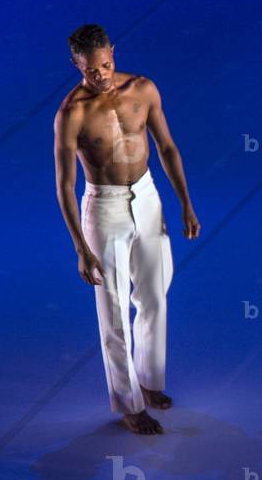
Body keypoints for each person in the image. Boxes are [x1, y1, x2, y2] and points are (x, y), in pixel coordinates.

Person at [54, 23, 200, 435]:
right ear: (76, 65)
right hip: (104, 206)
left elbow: (167, 147)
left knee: (154, 294)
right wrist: (80, 248)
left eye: (105, 65)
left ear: (112, 53)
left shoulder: (143, 89)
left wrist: (185, 203)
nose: (100, 74)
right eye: (90, 70)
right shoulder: (71, 113)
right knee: (114, 308)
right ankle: (129, 403)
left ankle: (150, 381)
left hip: (147, 195)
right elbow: (65, 185)